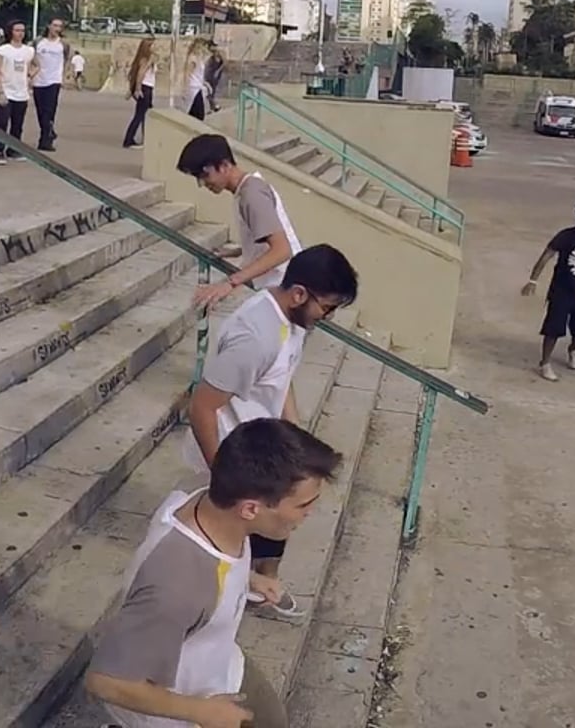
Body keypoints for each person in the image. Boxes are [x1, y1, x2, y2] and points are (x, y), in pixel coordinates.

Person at [85, 418, 342, 728]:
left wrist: (247, 578)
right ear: (250, 509)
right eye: (304, 504)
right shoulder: (177, 585)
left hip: (220, 666)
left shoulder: (203, 494)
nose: (310, 513)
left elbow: (217, 563)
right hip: (176, 707)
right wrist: (202, 713)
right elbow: (106, 681)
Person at [184, 246, 357, 626]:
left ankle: (263, 585)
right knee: (256, 528)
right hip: (238, 453)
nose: (326, 317)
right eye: (326, 308)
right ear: (299, 293)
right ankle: (245, 595)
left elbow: (281, 378)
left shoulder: (289, 321)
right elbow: (201, 407)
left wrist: (295, 438)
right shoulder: (255, 338)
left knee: (283, 518)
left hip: (266, 443)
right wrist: (225, 474)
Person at [178, 133, 303, 309]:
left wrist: (230, 283)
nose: (203, 183)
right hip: (281, 289)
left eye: (205, 175)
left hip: (285, 291)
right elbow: (265, 237)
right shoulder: (247, 189)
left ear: (224, 165)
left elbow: (282, 250)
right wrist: (236, 251)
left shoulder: (251, 194)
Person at [520, 197, 575, 381]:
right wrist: (533, 281)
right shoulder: (566, 236)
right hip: (562, 290)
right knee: (553, 328)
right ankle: (545, 363)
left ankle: (573, 348)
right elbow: (546, 256)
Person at [0, 20, 35, 164]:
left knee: (18, 123)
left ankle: (13, 149)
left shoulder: (29, 50)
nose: (20, 33)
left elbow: (35, 65)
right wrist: (0, 91)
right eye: (17, 30)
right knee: (2, 122)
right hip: (6, 91)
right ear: (10, 32)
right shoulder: (2, 50)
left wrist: (29, 77)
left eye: (22, 30)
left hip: (21, 92)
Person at [32, 17, 70, 150]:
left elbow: (66, 60)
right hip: (39, 80)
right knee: (40, 110)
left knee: (49, 110)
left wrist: (63, 76)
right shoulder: (39, 42)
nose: (56, 29)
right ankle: (49, 131)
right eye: (54, 26)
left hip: (54, 80)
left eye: (59, 26)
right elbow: (32, 57)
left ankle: (45, 139)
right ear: (49, 26)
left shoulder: (63, 44)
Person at [123, 37, 157, 149]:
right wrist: (138, 88)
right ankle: (128, 140)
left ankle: (144, 138)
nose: (155, 47)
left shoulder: (142, 58)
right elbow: (141, 73)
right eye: (153, 45)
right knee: (140, 115)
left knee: (144, 115)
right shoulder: (148, 58)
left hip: (147, 87)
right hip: (145, 87)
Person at [181, 38, 212, 120]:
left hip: (198, 86)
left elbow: (199, 74)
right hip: (193, 88)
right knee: (198, 113)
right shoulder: (193, 58)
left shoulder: (199, 58)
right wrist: (185, 88)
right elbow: (188, 73)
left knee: (196, 112)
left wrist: (205, 83)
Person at [204, 42, 227, 113]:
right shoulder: (210, 55)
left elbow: (224, 63)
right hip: (209, 74)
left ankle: (214, 106)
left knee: (210, 91)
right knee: (208, 91)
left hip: (215, 74)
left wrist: (218, 71)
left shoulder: (219, 54)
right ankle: (213, 107)